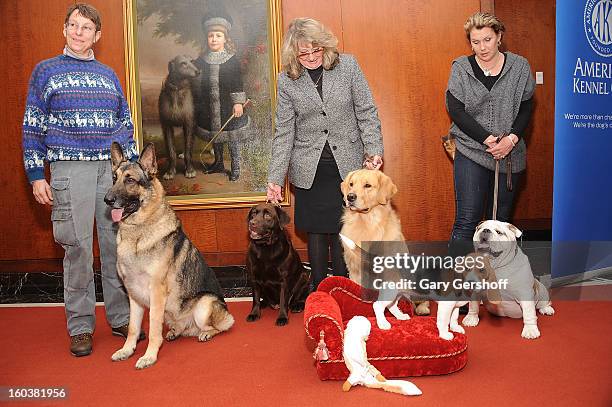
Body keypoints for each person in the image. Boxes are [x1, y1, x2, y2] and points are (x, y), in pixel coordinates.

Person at [22, 3, 140, 357]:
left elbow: (125, 123)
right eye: (73, 25)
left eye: (86, 28)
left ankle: (121, 317)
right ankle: (81, 326)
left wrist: (130, 170)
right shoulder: (46, 72)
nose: (78, 32)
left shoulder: (108, 74)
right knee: (76, 249)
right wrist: (34, 174)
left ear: (97, 36)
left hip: (111, 172)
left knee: (117, 247)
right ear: (64, 29)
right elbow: (31, 126)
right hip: (68, 172)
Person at [267, 18, 383, 290]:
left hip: (348, 166)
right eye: (302, 53)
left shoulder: (348, 66)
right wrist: (275, 178)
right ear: (293, 53)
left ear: (325, 45)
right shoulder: (286, 80)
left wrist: (374, 149)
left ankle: (346, 288)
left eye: (315, 50)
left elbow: (366, 111)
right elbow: (283, 132)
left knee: (346, 228)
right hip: (310, 167)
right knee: (317, 230)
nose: (310, 57)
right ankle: (319, 291)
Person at [446, 12, 535, 250]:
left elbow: (527, 105)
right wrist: (487, 139)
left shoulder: (519, 66)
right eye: (476, 42)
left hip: (509, 153)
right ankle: (456, 282)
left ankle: (498, 282)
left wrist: (512, 139)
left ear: (499, 37)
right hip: (471, 149)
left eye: (487, 40)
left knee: (501, 223)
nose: (482, 47)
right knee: (467, 219)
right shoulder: (461, 68)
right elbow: (455, 109)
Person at [192, 13, 249, 182]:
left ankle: (236, 167)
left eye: (218, 36)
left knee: (231, 137)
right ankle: (218, 163)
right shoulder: (201, 61)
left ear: (225, 39)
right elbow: (193, 77)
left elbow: (237, 83)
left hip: (227, 107)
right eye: (211, 36)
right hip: (209, 106)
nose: (214, 39)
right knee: (215, 135)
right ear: (207, 39)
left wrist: (238, 103)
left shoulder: (231, 61)